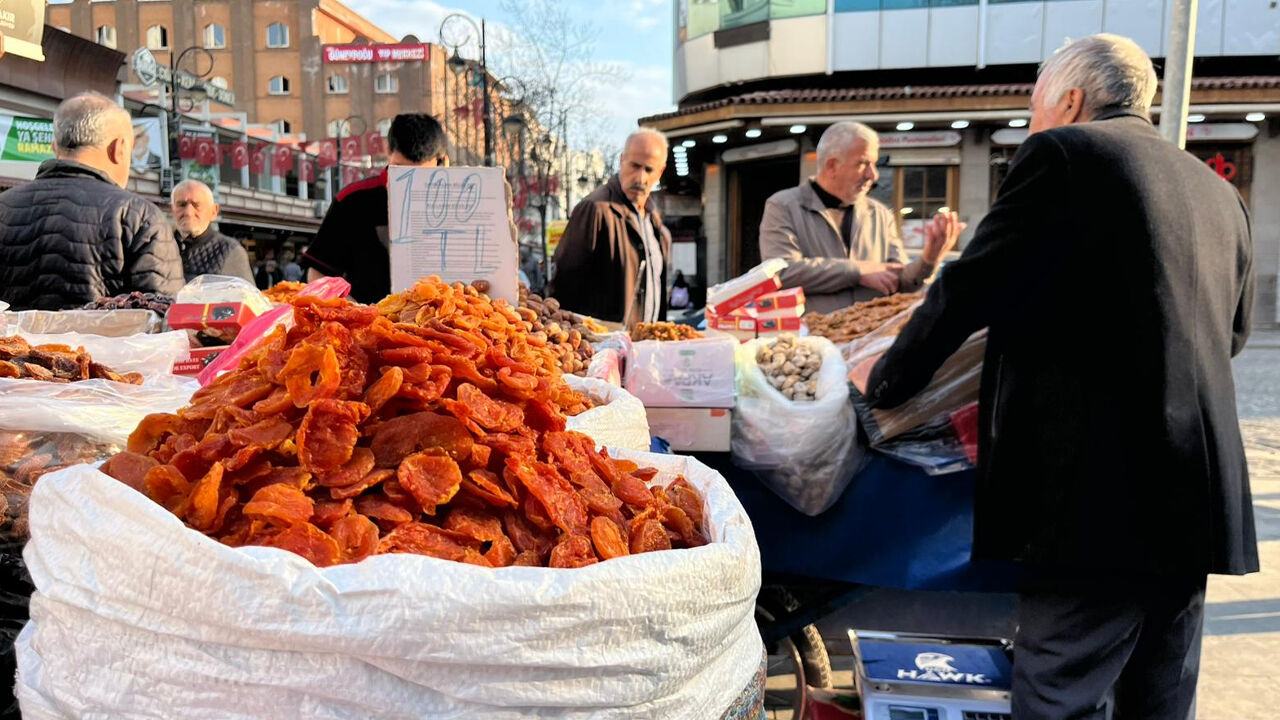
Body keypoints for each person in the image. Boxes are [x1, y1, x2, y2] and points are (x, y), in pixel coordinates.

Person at [856, 34, 1256, 718]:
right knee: (1159, 700)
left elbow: (967, 289)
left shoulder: (1063, 155)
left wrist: (885, 382)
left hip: (1099, 498)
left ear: (1069, 100)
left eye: (1034, 106)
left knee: (1059, 695)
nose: (1030, 120)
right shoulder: (1218, 191)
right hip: (1197, 495)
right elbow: (1234, 336)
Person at [0, 92, 183, 311]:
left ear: (54, 147)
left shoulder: (4, 206)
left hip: (12, 345)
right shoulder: (138, 215)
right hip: (106, 345)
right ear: (119, 148)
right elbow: (166, 320)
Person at [759, 122, 963, 314]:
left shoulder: (880, 213)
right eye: (863, 164)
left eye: (874, 164)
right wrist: (858, 271)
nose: (873, 175)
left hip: (871, 339)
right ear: (832, 166)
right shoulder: (783, 205)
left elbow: (902, 279)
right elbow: (782, 273)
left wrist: (929, 259)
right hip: (812, 343)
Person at [548, 128, 672, 326]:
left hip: (645, 349)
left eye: (649, 169)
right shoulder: (595, 209)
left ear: (660, 172)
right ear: (622, 160)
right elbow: (563, 291)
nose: (640, 178)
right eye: (635, 166)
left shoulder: (655, 223)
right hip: (602, 350)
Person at [171, 179, 254, 284]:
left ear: (214, 211)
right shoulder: (160, 245)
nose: (188, 212)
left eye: (196, 205)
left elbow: (248, 297)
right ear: (172, 209)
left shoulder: (230, 250)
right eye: (182, 204)